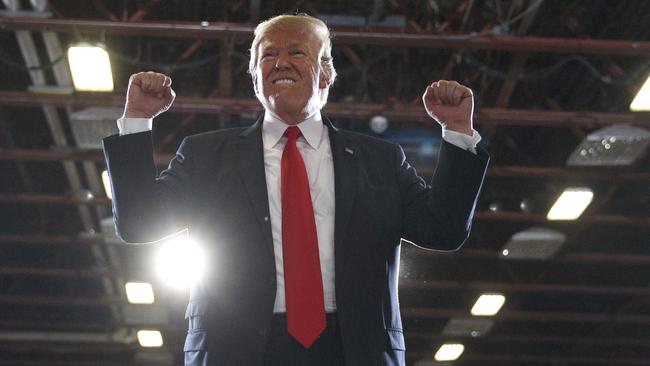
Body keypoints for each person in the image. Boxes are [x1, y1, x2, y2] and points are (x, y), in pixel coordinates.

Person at [103, 13, 489, 366]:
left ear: (326, 72)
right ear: (254, 76)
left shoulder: (380, 161)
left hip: (354, 350)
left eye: (297, 51)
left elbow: (444, 229)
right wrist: (137, 121)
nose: (280, 62)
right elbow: (140, 223)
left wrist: (456, 132)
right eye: (267, 54)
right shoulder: (207, 155)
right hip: (235, 350)